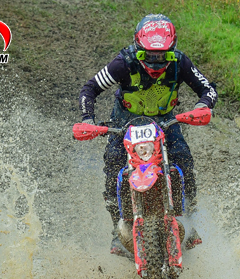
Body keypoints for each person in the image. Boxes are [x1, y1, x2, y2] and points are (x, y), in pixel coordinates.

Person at [78, 14, 217, 257]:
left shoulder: (181, 62)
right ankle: (116, 230)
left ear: (171, 50)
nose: (155, 62)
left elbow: (208, 89)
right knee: (113, 165)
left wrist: (203, 106)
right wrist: (87, 119)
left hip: (166, 122)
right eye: (148, 56)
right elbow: (89, 89)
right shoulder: (123, 62)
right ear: (138, 47)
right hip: (124, 122)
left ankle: (191, 221)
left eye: (162, 55)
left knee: (183, 159)